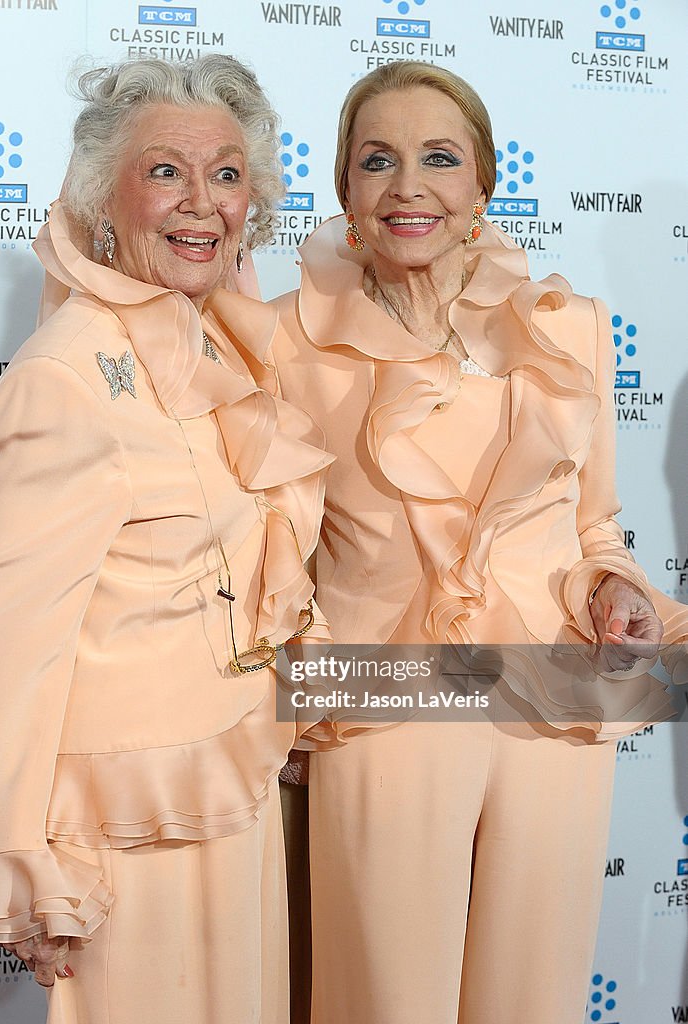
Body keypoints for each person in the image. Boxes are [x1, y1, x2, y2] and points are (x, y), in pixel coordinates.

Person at [272, 61, 686, 1024]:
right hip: (382, 700)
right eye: (378, 160)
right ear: (345, 189)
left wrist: (614, 592)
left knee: (531, 1000)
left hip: (557, 693)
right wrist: (292, 698)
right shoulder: (289, 340)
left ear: (483, 186)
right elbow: (271, 551)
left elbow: (596, 524)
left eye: (439, 158)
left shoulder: (569, 328)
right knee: (383, 1002)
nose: (408, 184)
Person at [0, 55, 332, 1024]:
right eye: (165, 171)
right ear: (104, 200)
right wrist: (18, 852)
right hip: (123, 824)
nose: (201, 201)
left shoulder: (221, 346)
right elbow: (5, 640)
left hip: (229, 783)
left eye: (227, 173)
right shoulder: (65, 375)